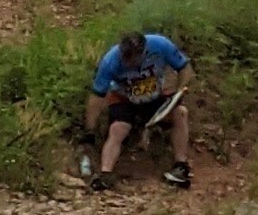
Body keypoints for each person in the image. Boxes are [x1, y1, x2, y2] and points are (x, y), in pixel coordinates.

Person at [81, 27, 193, 187]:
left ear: (143, 52)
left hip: (155, 97)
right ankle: (105, 173)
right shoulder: (110, 61)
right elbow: (97, 96)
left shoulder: (161, 45)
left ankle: (181, 166)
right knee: (118, 128)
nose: (128, 64)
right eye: (124, 59)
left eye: (132, 60)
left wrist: (180, 91)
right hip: (124, 99)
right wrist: (90, 130)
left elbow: (184, 68)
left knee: (181, 113)